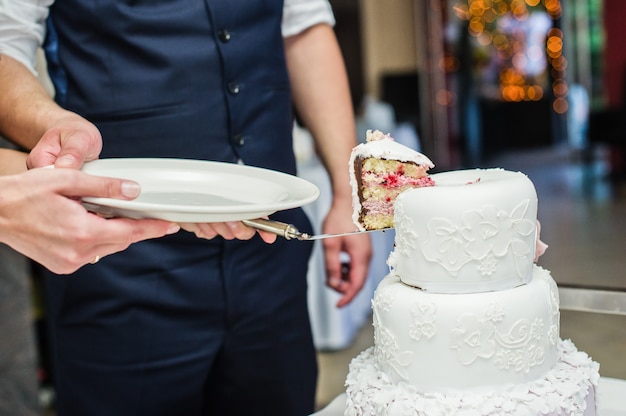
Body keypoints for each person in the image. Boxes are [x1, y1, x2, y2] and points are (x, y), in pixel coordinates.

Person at [0, 1, 372, 415]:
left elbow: (304, 28)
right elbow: (4, 45)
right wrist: (53, 127)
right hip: (113, 263)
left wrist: (346, 188)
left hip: (270, 255)